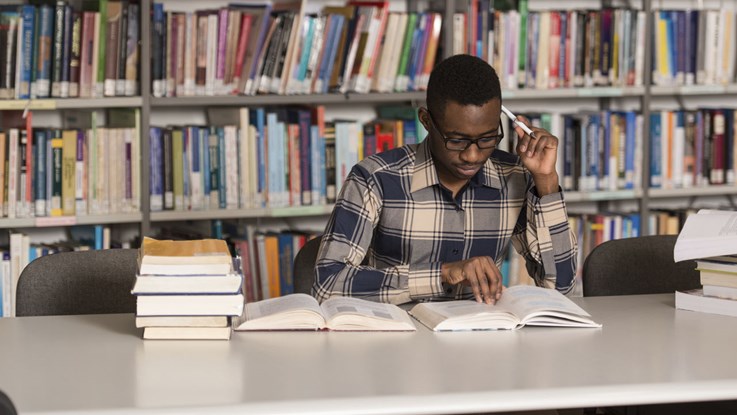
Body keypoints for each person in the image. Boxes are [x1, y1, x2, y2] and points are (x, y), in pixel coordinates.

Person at [313, 54, 577, 305]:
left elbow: (560, 288)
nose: (472, 155)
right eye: (457, 140)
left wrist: (546, 181)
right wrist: (442, 273)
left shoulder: (514, 178)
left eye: (486, 139)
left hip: (482, 338)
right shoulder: (375, 178)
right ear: (426, 121)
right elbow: (328, 284)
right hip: (399, 340)